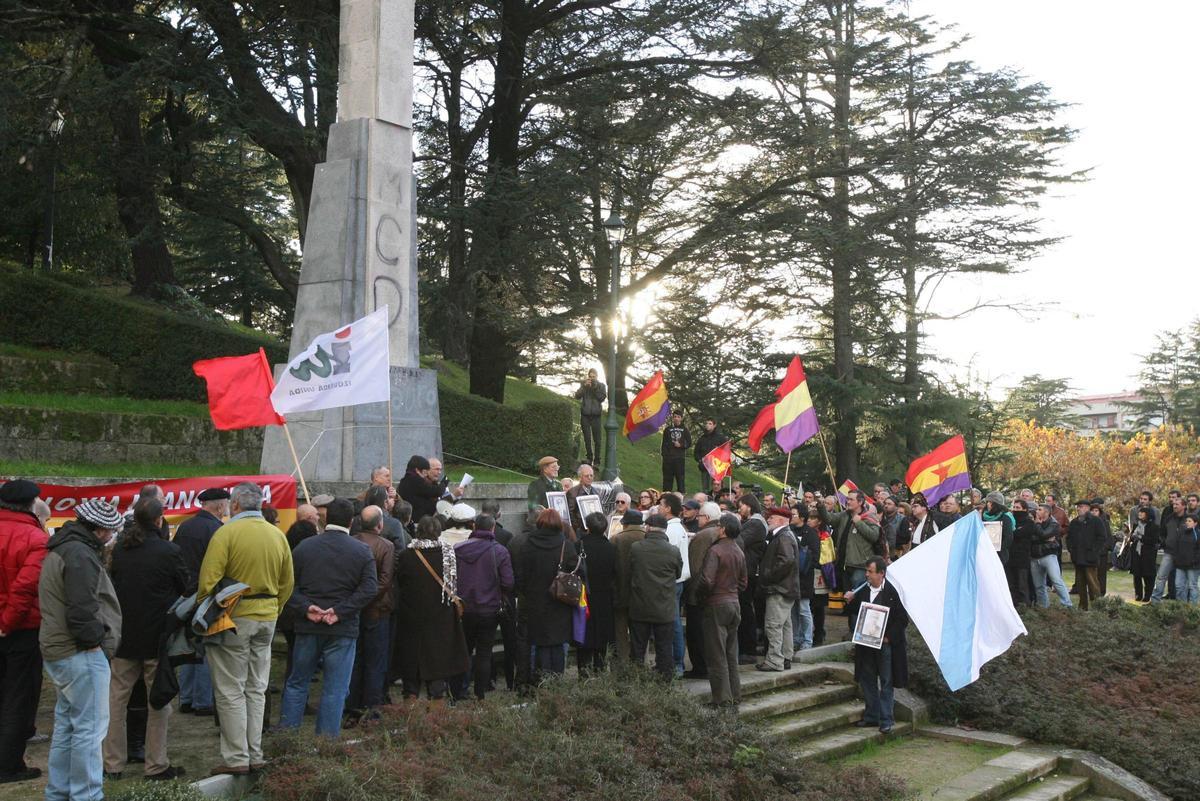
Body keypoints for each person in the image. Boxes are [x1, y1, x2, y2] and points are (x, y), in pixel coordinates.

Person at [197, 482, 294, 776]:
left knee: (230, 689)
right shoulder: (277, 534)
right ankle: (256, 753)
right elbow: (287, 582)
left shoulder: (225, 533)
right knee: (257, 687)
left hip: (234, 618)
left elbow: (207, 582)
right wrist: (274, 609)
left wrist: (207, 614)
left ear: (235, 505)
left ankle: (237, 756)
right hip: (267, 615)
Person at [38, 500, 123, 800]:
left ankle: (59, 792)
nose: (113, 535)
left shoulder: (62, 547)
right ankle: (87, 794)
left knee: (67, 726)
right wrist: (96, 644)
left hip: (59, 648)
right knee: (89, 729)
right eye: (111, 530)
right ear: (100, 530)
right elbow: (82, 610)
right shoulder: (80, 555)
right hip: (79, 652)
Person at [103, 498, 188, 781]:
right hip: (156, 637)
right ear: (159, 520)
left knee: (116, 701)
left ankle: (112, 763)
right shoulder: (169, 551)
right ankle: (156, 763)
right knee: (159, 702)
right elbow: (184, 587)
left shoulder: (121, 551)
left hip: (124, 635)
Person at [279, 498, 377, 737]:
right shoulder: (362, 550)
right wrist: (340, 611)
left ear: (324, 517)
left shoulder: (304, 548)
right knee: (335, 688)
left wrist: (307, 608)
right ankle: (326, 742)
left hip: (308, 626)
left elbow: (287, 585)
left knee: (297, 683)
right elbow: (369, 589)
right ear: (351, 520)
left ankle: (288, 739)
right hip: (341, 629)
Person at [0, 480, 48, 784]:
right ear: (32, 504)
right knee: (19, 699)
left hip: (12, 624)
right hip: (20, 629)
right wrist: (6, 623)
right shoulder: (35, 538)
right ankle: (9, 765)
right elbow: (25, 588)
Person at [394, 517, 469, 699]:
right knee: (437, 664)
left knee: (411, 663)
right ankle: (437, 712)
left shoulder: (406, 555)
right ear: (438, 532)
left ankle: (410, 704)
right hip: (441, 616)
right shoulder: (448, 554)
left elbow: (400, 583)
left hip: (411, 616)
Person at [173, 486, 229, 716]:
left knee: (187, 645)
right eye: (226, 503)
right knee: (207, 647)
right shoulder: (217, 529)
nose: (227, 508)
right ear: (218, 505)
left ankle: (186, 698)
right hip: (206, 594)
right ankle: (202, 700)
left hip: (185, 592)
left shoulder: (185, 526)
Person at [514, 509, 583, 679]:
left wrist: (529, 592)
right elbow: (578, 572)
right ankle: (556, 684)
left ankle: (542, 682)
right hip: (560, 602)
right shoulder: (566, 546)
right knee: (558, 645)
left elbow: (520, 576)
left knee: (540, 644)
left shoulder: (528, 545)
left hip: (536, 602)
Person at [844, 557, 909, 734]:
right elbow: (853, 612)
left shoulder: (892, 592)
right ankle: (872, 716)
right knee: (867, 680)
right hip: (865, 645)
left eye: (870, 572)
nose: (867, 575)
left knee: (886, 681)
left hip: (885, 645)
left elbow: (902, 619)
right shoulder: (862, 589)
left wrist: (888, 637)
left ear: (881, 573)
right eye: (866, 571)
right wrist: (849, 601)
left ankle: (886, 719)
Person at [454, 512, 514, 698]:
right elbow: (508, 582)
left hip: (465, 608)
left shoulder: (458, 549)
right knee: (484, 652)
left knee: (463, 650)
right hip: (490, 608)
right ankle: (481, 692)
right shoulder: (500, 551)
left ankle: (457, 691)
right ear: (493, 528)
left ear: (474, 527)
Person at [346, 505, 395, 721]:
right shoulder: (386, 546)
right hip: (375, 609)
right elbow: (385, 580)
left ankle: (353, 703)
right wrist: (365, 599)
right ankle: (372, 706)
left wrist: (356, 600)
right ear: (379, 524)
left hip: (354, 607)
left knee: (356, 658)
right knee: (375, 660)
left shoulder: (351, 542)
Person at [696, 513, 747, 707]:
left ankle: (722, 698)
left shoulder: (716, 550)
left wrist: (701, 596)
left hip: (716, 604)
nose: (717, 529)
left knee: (716, 654)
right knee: (730, 654)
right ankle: (735, 694)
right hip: (734, 603)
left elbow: (707, 580)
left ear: (723, 529)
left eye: (718, 526)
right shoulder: (739, 551)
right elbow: (743, 583)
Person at [628, 514, 683, 679]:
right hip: (664, 607)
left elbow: (631, 569)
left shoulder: (636, 547)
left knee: (637, 649)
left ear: (649, 527)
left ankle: (636, 683)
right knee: (665, 648)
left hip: (640, 606)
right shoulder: (673, 551)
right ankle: (665, 683)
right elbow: (678, 573)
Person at [682, 502, 722, 679]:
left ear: (706, 518)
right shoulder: (720, 533)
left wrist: (691, 592)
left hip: (699, 593)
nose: (697, 519)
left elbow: (695, 566)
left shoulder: (704, 536)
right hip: (717, 592)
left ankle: (700, 667)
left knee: (696, 632)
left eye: (699, 516)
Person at [757, 507, 798, 672]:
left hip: (779, 588)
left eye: (771, 518)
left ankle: (775, 660)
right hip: (786, 587)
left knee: (773, 625)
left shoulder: (784, 537)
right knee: (785, 625)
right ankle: (786, 657)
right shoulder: (784, 535)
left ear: (781, 520)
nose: (768, 520)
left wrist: (767, 575)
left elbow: (786, 561)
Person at [576, 512, 616, 676]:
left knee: (584, 634)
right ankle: (599, 669)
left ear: (587, 527)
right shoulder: (611, 548)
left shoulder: (578, 546)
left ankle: (583, 671)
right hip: (604, 597)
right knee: (601, 636)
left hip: (583, 596)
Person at [817, 490, 881, 592]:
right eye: (847, 499)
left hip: (860, 565)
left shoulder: (869, 517)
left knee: (856, 595)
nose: (848, 501)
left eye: (851, 499)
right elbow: (829, 519)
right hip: (844, 563)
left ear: (860, 502)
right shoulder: (844, 515)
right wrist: (820, 505)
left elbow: (874, 536)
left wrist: (859, 523)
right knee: (845, 597)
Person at [658, 493, 691, 675]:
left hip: (672, 582)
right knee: (674, 622)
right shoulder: (680, 529)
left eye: (661, 505)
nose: (659, 508)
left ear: (668, 508)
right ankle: (675, 662)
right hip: (678, 581)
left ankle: (677, 663)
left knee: (673, 624)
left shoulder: (671, 530)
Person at [610, 509, 646, 664]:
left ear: (625, 524)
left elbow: (611, 568)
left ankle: (622, 664)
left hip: (621, 592)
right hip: (643, 594)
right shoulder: (648, 538)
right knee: (640, 632)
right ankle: (639, 663)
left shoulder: (616, 540)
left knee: (620, 632)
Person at [735, 495, 768, 664]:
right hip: (746, 571)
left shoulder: (755, 524)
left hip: (748, 572)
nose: (739, 509)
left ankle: (748, 649)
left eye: (741, 506)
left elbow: (738, 540)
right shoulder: (751, 523)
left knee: (746, 611)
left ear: (749, 506)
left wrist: (733, 526)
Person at [1065, 499, 1105, 611]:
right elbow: (1069, 538)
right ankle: (1082, 608)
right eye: (1078, 507)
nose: (1078, 508)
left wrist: (1094, 551)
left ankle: (1098, 608)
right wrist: (1072, 550)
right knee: (1080, 585)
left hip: (1090, 559)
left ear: (1088, 508)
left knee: (1093, 584)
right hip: (1078, 558)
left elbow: (1102, 538)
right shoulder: (1074, 522)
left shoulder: (1096, 521)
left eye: (1081, 506)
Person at [791, 505, 821, 652]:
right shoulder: (790, 531)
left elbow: (815, 555)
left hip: (804, 578)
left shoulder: (811, 533)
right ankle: (795, 638)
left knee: (804, 609)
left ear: (802, 517)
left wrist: (805, 564)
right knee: (793, 610)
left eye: (794, 514)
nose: (791, 516)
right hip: (791, 577)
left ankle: (807, 640)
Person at [1030, 504, 1072, 608]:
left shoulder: (1054, 524)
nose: (1037, 511)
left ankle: (1067, 605)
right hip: (1035, 556)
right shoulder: (1033, 522)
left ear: (1046, 513)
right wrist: (1043, 536)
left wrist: (1038, 527)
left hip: (1049, 555)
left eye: (1039, 510)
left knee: (1056, 580)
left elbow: (1044, 534)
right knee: (1039, 585)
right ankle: (1043, 607)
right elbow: (1031, 538)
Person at [1154, 494, 1186, 602]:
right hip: (1169, 552)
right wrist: (1165, 542)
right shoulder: (1169, 518)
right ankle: (1155, 600)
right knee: (1161, 576)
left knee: (1180, 581)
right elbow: (1162, 532)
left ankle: (1180, 603)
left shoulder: (1189, 519)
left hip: (1183, 554)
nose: (1174, 506)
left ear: (1184, 506)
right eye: (1173, 504)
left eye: (1177, 504)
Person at [1128, 506, 1161, 602]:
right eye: (1139, 512)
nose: (1140, 514)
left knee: (1148, 575)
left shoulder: (1154, 527)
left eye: (1142, 513)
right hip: (1137, 553)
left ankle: (1147, 595)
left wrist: (1140, 537)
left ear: (1148, 515)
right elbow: (1132, 538)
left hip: (1148, 554)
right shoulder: (1136, 525)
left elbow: (1153, 540)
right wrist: (1132, 537)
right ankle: (1138, 594)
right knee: (1137, 575)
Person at [574, 369, 607, 465]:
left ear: (597, 376)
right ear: (588, 376)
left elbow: (601, 398)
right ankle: (589, 458)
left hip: (596, 416)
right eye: (590, 377)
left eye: (594, 377)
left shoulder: (601, 386)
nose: (592, 379)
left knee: (597, 439)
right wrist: (584, 387)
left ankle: (597, 461)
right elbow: (577, 396)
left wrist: (594, 388)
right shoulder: (584, 385)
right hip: (585, 415)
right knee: (587, 438)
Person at [398, 455, 444, 522]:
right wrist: (444, 484)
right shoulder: (415, 480)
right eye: (424, 472)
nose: (425, 475)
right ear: (417, 470)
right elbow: (435, 491)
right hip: (418, 520)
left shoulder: (405, 480)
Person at [1168, 513, 1200, 604]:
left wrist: (1194, 561)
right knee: (1179, 586)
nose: (1187, 522)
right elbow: (1176, 547)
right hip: (1180, 565)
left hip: (1193, 566)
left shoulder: (1198, 534)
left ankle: (1193, 609)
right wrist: (1176, 559)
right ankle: (1181, 606)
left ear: (1195, 523)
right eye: (1186, 521)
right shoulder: (1181, 533)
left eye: (1189, 521)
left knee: (1192, 586)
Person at [1008, 500, 1035, 606]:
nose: (1015, 509)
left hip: (1022, 558)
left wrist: (1014, 532)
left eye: (1018, 507)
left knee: (1022, 584)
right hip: (1011, 557)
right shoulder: (1010, 521)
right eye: (1014, 507)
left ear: (1024, 509)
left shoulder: (1029, 522)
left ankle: (1025, 605)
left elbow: (1019, 534)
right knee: (1011, 584)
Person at [660, 412, 692, 492]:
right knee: (667, 479)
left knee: (680, 479)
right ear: (673, 418)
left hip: (679, 458)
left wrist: (681, 445)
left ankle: (680, 497)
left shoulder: (685, 430)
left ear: (681, 418)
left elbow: (689, 443)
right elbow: (664, 444)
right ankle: (666, 496)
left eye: (678, 417)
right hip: (668, 459)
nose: (676, 418)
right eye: (675, 417)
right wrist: (664, 456)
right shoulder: (667, 429)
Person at [565, 464, 598, 535]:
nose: (589, 478)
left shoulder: (596, 492)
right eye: (586, 476)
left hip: (594, 529)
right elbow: (570, 514)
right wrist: (579, 528)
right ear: (580, 477)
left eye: (591, 475)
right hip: (580, 531)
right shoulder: (572, 492)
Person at [693, 420, 724, 493]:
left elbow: (725, 449)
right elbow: (696, 452)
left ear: (714, 425)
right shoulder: (702, 438)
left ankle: (718, 500)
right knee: (705, 489)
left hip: (716, 467)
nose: (707, 425)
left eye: (710, 424)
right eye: (706, 423)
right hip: (704, 467)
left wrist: (721, 460)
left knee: (717, 486)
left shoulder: (720, 438)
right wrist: (700, 460)